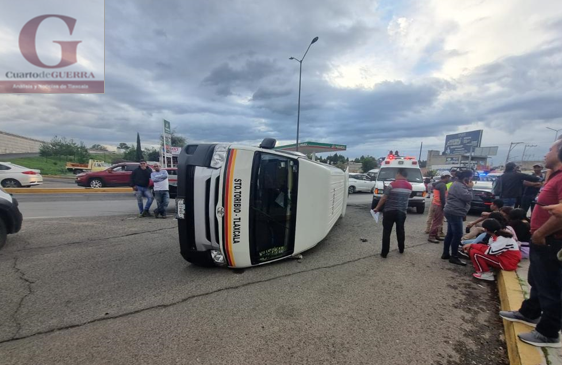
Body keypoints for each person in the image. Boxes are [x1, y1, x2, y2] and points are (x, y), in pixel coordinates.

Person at [500, 137, 562, 348]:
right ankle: (529, 313)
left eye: (551, 149)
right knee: (538, 281)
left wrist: (540, 233)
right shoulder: (556, 176)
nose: (546, 154)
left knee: (551, 287)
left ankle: (548, 332)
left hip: (551, 240)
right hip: (543, 239)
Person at [372, 168, 412, 258]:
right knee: (400, 230)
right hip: (402, 212)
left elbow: (384, 198)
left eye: (396, 174)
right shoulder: (410, 186)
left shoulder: (392, 185)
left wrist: (377, 208)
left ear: (399, 173)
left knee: (387, 232)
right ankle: (401, 249)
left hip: (389, 211)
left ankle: (384, 253)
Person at [442, 169, 474, 265]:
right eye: (470, 178)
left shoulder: (457, 184)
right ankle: (454, 256)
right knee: (458, 235)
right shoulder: (459, 186)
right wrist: (470, 188)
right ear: (466, 179)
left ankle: (446, 253)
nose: (471, 181)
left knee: (451, 233)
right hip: (455, 212)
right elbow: (468, 197)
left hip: (453, 211)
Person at [428, 172, 451, 243]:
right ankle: (431, 236)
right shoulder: (442, 185)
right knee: (437, 221)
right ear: (446, 177)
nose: (449, 179)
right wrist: (444, 206)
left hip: (435, 203)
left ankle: (435, 235)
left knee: (436, 220)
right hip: (439, 205)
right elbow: (442, 197)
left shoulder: (437, 184)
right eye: (448, 177)